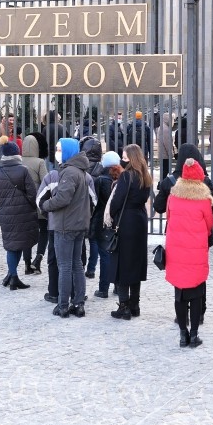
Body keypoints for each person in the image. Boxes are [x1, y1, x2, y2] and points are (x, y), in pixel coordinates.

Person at [39, 137, 94, 319]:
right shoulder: (80, 171)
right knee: (76, 264)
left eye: (59, 149)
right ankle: (78, 303)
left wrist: (46, 206)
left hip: (66, 225)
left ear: (68, 151)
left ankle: (63, 305)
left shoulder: (69, 172)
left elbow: (63, 198)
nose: (56, 152)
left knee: (65, 266)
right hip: (78, 223)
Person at [165, 157, 213, 347]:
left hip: (176, 251)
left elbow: (168, 218)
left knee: (180, 293)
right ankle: (194, 335)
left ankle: (182, 334)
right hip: (196, 252)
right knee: (196, 293)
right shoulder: (203, 200)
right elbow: (209, 225)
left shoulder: (173, 197)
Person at [110, 143, 153, 320]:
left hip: (126, 220)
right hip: (140, 220)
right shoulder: (145, 176)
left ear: (131, 158)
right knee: (136, 262)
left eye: (125, 156)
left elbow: (117, 201)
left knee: (123, 263)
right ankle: (135, 305)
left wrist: (111, 214)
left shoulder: (126, 176)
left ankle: (124, 306)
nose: (122, 159)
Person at [0, 138, 38, 290]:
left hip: (6, 213)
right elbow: (32, 193)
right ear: (17, 154)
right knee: (18, 245)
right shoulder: (23, 170)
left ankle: (12, 275)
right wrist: (30, 206)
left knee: (12, 245)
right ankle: (13, 277)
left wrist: (4, 205)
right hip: (23, 212)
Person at [91, 151, 121, 298]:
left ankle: (103, 289)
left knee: (104, 255)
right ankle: (117, 286)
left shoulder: (100, 180)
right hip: (118, 221)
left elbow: (94, 203)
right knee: (116, 253)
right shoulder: (122, 179)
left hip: (102, 222)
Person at [21, 134, 49, 275]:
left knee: (27, 234)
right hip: (38, 202)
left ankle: (27, 263)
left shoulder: (19, 161)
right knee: (44, 230)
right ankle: (38, 259)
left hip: (24, 203)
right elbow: (46, 181)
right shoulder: (39, 162)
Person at [80, 136, 104, 280]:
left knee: (81, 240)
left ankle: (80, 265)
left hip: (83, 207)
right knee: (94, 240)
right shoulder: (102, 167)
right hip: (97, 207)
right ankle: (91, 268)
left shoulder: (81, 165)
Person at [157, 112, 175, 181]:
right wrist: (171, 154)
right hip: (165, 154)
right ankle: (161, 184)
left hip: (162, 153)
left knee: (164, 171)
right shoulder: (165, 129)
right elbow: (167, 143)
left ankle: (161, 184)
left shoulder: (163, 126)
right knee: (165, 170)